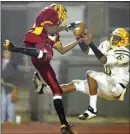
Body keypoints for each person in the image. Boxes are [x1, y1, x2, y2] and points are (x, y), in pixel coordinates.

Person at [3, 3, 83, 134]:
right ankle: (14, 48)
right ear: (60, 12)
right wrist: (67, 27)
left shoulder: (56, 32)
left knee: (57, 90)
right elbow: (48, 29)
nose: (62, 19)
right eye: (62, 16)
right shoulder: (50, 11)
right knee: (47, 54)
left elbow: (62, 50)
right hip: (36, 44)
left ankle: (64, 125)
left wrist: (77, 42)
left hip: (40, 57)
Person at [34, 28, 129, 120]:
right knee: (75, 84)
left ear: (124, 41)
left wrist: (91, 43)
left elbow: (104, 60)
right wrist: (81, 41)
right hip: (105, 86)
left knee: (91, 74)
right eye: (112, 37)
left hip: (116, 87)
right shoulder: (106, 45)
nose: (112, 39)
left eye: (116, 38)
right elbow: (88, 51)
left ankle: (92, 110)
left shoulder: (125, 52)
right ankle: (45, 89)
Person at [1, 50, 18, 123]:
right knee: (2, 104)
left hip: (10, 87)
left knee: (10, 105)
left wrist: (4, 79)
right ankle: (2, 119)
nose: (6, 54)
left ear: (10, 55)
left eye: (8, 53)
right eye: (5, 52)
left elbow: (14, 75)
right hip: (1, 88)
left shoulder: (13, 64)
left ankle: (10, 120)